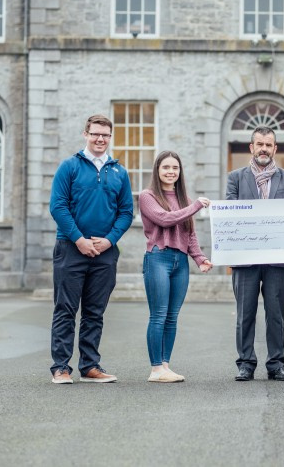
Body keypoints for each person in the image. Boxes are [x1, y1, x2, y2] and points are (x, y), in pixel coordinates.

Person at [49, 114, 134, 384]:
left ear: (110, 138)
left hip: (105, 253)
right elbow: (58, 206)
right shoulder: (69, 167)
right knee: (65, 309)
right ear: (85, 134)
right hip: (71, 248)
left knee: (95, 312)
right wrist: (79, 239)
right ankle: (61, 367)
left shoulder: (120, 172)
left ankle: (90, 366)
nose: (100, 139)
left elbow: (126, 212)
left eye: (105, 135)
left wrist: (109, 240)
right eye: (95, 134)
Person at [226, 126, 284, 382]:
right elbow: (230, 217)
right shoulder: (235, 178)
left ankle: (276, 364)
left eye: (269, 144)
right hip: (245, 260)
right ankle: (245, 363)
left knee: (275, 314)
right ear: (251, 147)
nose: (264, 149)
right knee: (245, 313)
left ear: (275, 148)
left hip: (277, 260)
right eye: (260, 144)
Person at [139, 151, 213, 383]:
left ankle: (165, 366)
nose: (171, 172)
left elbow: (189, 233)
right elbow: (165, 219)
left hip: (180, 262)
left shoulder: (183, 199)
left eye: (175, 168)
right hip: (157, 258)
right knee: (159, 315)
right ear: (157, 170)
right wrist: (196, 205)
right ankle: (155, 369)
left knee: (172, 317)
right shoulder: (147, 195)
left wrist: (200, 258)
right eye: (166, 167)